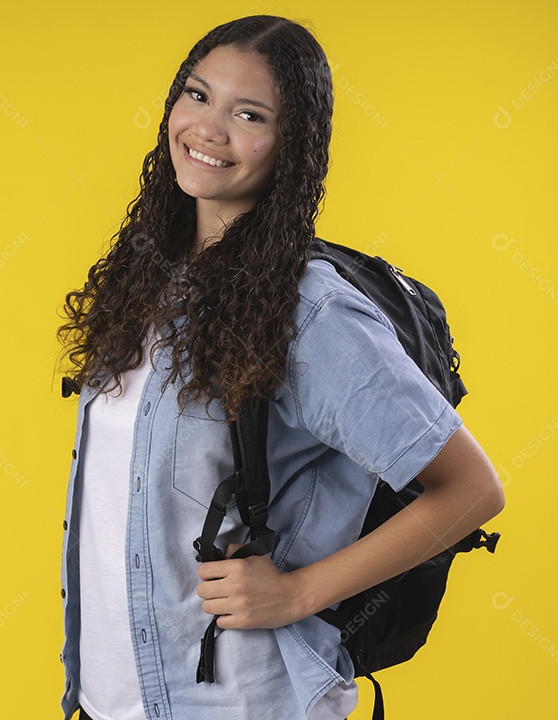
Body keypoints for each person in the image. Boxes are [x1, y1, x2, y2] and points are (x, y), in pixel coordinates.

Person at [55, 14, 505, 720]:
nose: (209, 129)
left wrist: (297, 593)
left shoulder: (310, 310)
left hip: (242, 702)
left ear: (290, 145)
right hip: (113, 700)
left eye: (249, 115)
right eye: (198, 95)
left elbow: (471, 490)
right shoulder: (147, 281)